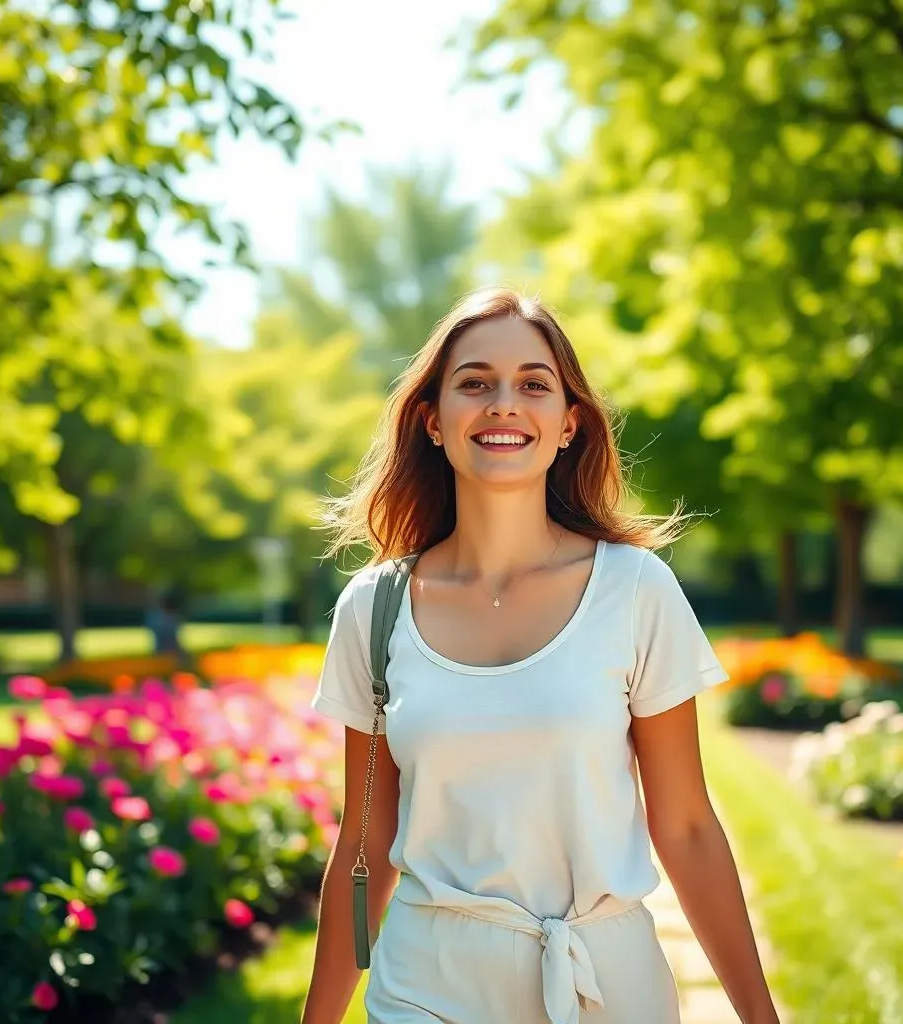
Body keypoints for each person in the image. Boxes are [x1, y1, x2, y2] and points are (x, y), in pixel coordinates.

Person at [302, 287, 780, 1024]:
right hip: (425, 988)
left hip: (608, 986)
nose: (503, 403)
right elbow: (364, 840)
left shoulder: (635, 589)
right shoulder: (374, 608)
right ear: (433, 421)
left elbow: (684, 825)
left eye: (533, 384)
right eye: (474, 383)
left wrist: (760, 1017)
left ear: (568, 425)